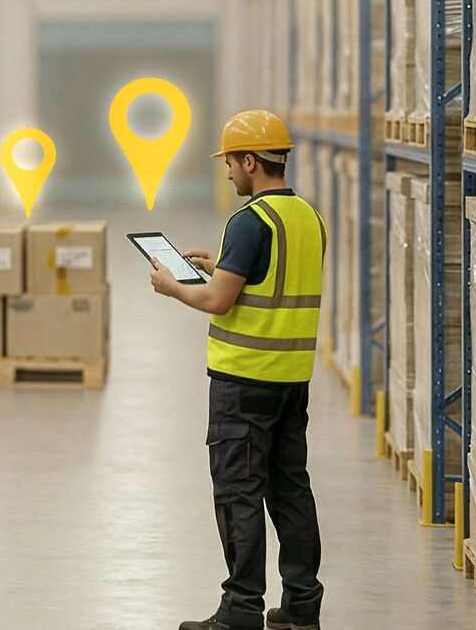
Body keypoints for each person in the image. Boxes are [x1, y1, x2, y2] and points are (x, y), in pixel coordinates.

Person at [148, 109, 326, 630]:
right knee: (291, 489)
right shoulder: (306, 217)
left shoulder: (249, 221)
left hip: (244, 382)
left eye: (230, 162)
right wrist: (220, 263)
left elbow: (220, 301)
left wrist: (173, 286)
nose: (227, 172)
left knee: (239, 492)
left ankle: (241, 609)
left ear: (251, 161)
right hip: (292, 380)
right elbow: (270, 278)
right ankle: (301, 607)